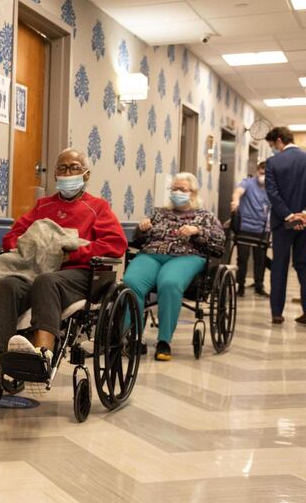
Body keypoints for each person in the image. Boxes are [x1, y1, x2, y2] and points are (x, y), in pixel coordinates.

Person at [0, 148, 127, 399]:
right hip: (37, 272)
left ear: (86, 174)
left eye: (74, 168)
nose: (68, 173)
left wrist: (71, 253)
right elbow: (12, 236)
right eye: (62, 168)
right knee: (10, 284)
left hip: (78, 274)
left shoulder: (97, 207)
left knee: (47, 281)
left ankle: (42, 356)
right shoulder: (43, 206)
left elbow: (115, 244)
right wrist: (26, 247)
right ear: (54, 174)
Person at [123, 172, 224, 361]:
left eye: (182, 189)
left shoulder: (205, 216)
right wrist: (142, 228)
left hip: (186, 257)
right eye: (174, 189)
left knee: (169, 283)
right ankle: (133, 336)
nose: (177, 192)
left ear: (193, 193)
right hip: (152, 254)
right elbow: (138, 238)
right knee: (131, 281)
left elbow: (219, 240)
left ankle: (164, 341)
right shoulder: (160, 213)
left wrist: (197, 230)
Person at [264, 126, 306, 325]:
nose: (274, 149)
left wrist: (289, 216)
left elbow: (272, 193)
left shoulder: (273, 162)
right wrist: (303, 214)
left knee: (279, 266)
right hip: (305, 223)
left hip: (282, 223)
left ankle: (277, 313)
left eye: (273, 145)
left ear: (279, 140)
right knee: (304, 267)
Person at [230, 161, 270, 297]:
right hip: (245, 226)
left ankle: (259, 285)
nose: (263, 176)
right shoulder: (248, 182)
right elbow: (238, 192)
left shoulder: (271, 187)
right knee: (242, 259)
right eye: (261, 172)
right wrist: (235, 201)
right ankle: (240, 286)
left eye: (266, 174)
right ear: (258, 170)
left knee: (261, 260)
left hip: (262, 228)